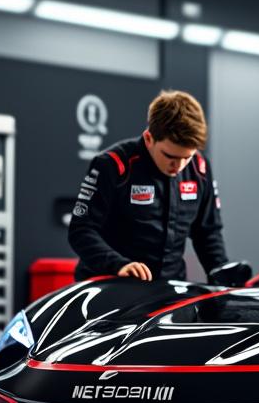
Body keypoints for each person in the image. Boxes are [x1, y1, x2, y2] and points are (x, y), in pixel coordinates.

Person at [68, 90, 229, 282]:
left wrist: (223, 277)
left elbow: (208, 233)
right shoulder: (112, 165)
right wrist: (118, 264)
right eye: (169, 156)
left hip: (168, 291)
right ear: (148, 139)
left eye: (187, 157)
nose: (178, 166)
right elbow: (81, 230)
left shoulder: (200, 169)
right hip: (109, 286)